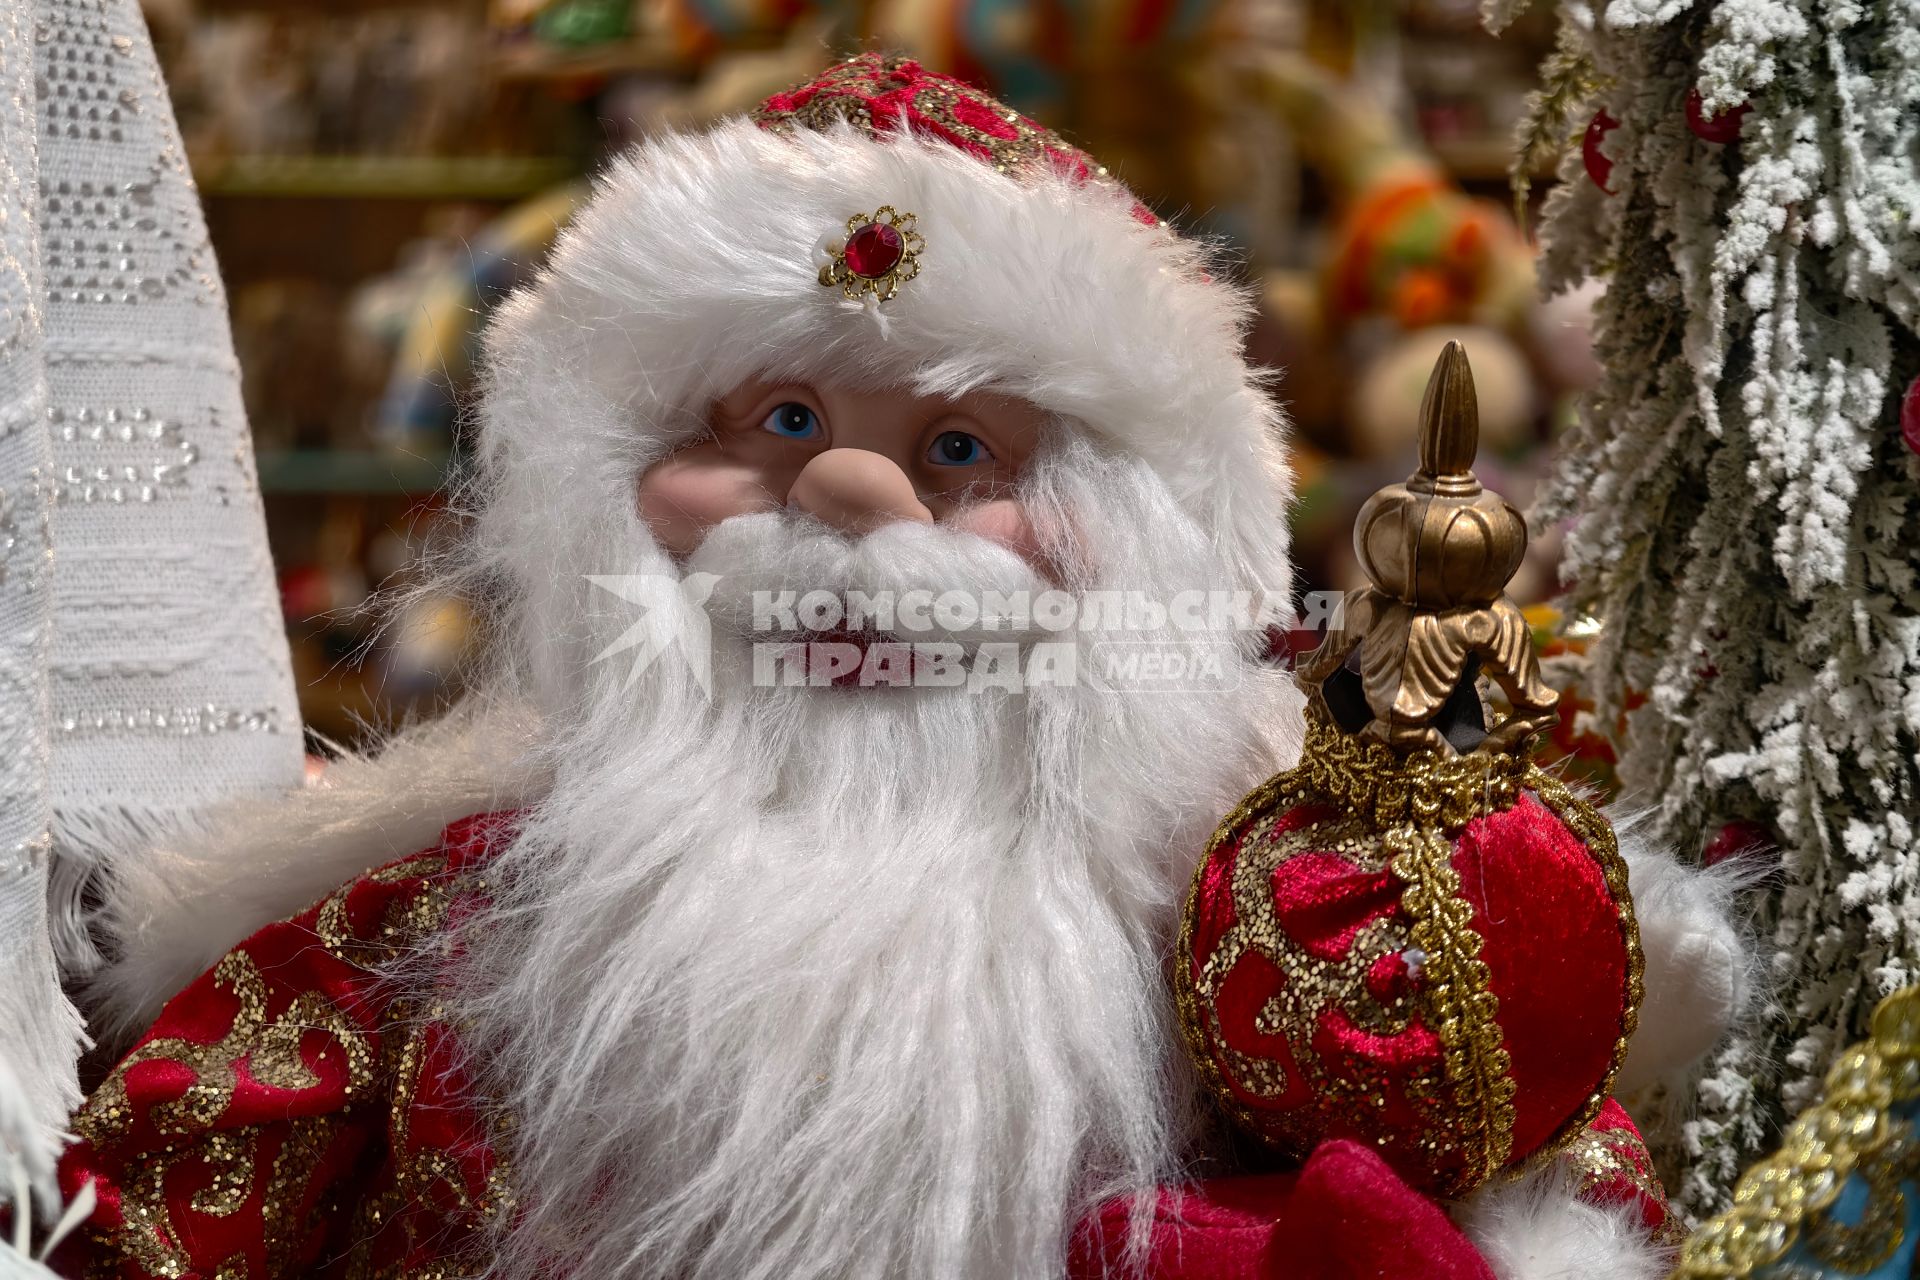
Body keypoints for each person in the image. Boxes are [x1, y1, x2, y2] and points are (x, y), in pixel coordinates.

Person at [48, 55, 1743, 1280]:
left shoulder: (1277, 930)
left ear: (1131, 531)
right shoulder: (435, 944)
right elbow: (149, 1207)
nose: (851, 500)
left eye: (958, 448)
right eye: (777, 424)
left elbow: (1548, 1173)